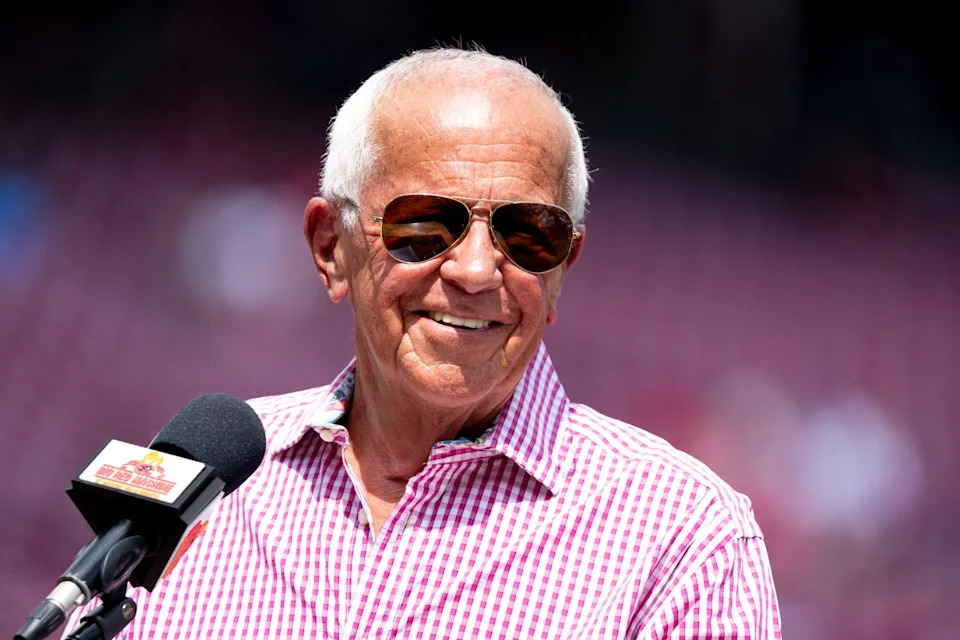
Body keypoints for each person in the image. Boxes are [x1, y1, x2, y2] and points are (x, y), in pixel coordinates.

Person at [66, 47, 781, 639]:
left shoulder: (686, 537)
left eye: (529, 234)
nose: (475, 271)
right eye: (422, 226)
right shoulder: (200, 480)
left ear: (563, 270)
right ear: (330, 246)